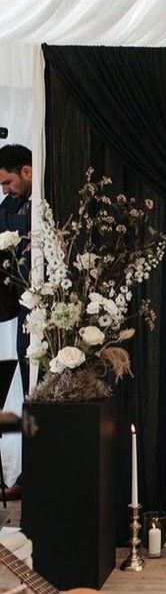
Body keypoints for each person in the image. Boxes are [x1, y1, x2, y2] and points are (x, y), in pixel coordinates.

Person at [0, 144, 32, 500]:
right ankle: (29, 473)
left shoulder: (49, 196)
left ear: (27, 171)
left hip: (53, 309)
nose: (5, 189)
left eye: (8, 182)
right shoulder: (6, 210)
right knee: (27, 394)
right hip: (22, 311)